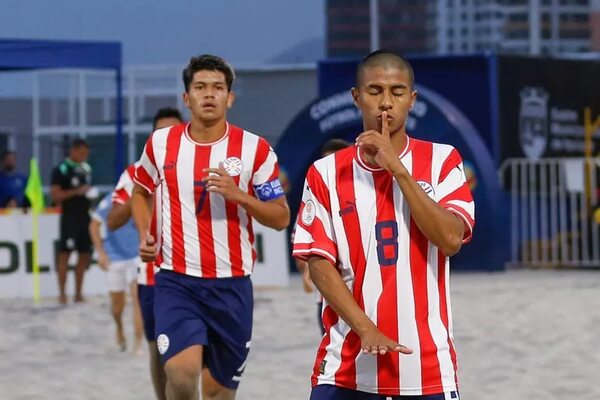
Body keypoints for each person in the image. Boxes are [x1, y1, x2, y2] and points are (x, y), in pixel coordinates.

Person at [293, 50, 475, 399]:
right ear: (356, 97)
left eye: (397, 91)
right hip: (346, 368)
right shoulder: (326, 173)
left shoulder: (442, 160)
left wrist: (398, 170)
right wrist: (367, 330)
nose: (386, 103)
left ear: (412, 99)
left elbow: (451, 239)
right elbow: (319, 264)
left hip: (427, 370)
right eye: (375, 91)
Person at [131, 55, 290, 400]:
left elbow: (280, 218)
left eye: (218, 88)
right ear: (186, 98)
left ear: (230, 98)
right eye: (200, 87)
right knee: (182, 374)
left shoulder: (255, 149)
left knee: (218, 393)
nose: (209, 94)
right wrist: (146, 233)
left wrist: (240, 196)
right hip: (176, 280)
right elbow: (140, 191)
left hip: (232, 287)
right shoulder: (161, 144)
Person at [107, 106, 184, 400]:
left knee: (195, 354)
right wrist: (143, 189)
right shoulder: (134, 173)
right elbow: (113, 221)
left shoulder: (203, 164)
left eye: (172, 131)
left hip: (200, 270)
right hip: (153, 275)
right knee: (158, 350)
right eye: (160, 132)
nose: (166, 137)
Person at [294, 138, 350, 336]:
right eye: (327, 160)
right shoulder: (314, 198)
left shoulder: (367, 193)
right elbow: (302, 242)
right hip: (329, 299)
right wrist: (306, 271)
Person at [89, 191, 143, 352]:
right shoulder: (111, 198)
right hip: (115, 257)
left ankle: (138, 344)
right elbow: (94, 224)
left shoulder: (143, 196)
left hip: (137, 255)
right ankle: (119, 327)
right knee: (117, 307)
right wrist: (100, 253)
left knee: (138, 300)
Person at [50, 138, 92, 304]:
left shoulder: (86, 168)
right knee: (65, 255)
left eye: (86, 154)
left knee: (84, 255)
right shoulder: (61, 169)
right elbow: (56, 195)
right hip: (69, 218)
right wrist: (76, 192)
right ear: (73, 151)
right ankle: (62, 294)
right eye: (81, 153)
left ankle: (78, 293)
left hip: (85, 217)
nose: (84, 156)